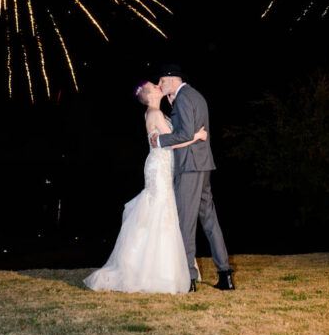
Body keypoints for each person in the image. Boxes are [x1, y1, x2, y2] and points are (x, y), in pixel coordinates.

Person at [84, 80, 208, 294]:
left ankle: (153, 265)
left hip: (160, 164)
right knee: (161, 210)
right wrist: (196, 137)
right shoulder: (155, 113)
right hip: (159, 166)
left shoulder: (154, 112)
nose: (159, 87)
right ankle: (160, 271)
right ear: (150, 96)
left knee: (160, 210)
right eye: (155, 87)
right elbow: (172, 142)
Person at [152, 65, 234, 291]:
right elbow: (190, 128)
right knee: (209, 220)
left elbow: (187, 134)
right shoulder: (194, 95)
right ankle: (225, 274)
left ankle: (188, 280)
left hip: (190, 166)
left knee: (185, 222)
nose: (160, 86)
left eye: (161, 81)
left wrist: (159, 141)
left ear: (172, 79)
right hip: (202, 164)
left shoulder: (184, 98)